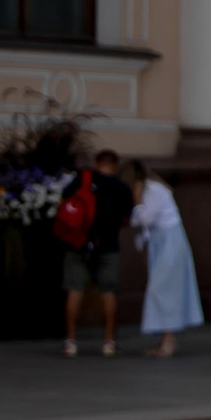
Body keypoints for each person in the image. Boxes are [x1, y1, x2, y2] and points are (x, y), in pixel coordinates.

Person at [58, 146, 136, 360]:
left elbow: (65, 200)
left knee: (75, 290)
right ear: (115, 166)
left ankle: (71, 342)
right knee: (108, 292)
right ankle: (109, 343)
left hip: (78, 243)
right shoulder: (122, 188)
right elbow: (128, 218)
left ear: (96, 163)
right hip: (109, 246)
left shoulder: (83, 178)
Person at [126, 159, 204, 356]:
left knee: (163, 289)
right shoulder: (151, 190)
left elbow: (144, 218)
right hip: (160, 242)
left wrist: (137, 201)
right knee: (162, 288)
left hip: (170, 241)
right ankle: (165, 338)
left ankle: (168, 340)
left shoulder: (155, 190)